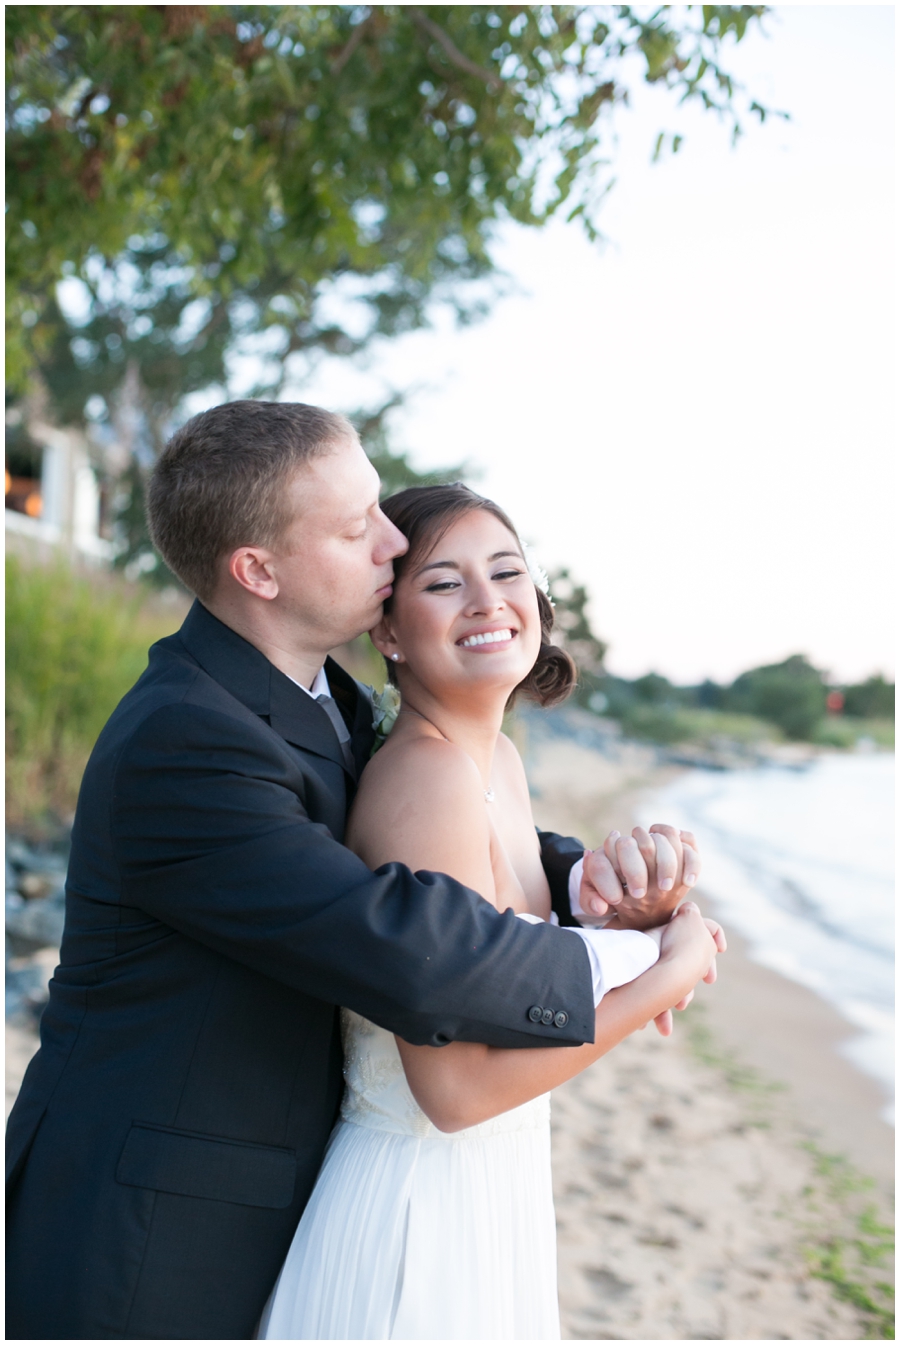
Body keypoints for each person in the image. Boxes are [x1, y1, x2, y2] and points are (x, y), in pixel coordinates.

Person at [6, 402, 704, 1340]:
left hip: (285, 1186)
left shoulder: (318, 695)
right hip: (147, 1224)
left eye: (379, 507)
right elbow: (402, 938)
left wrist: (593, 889)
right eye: (354, 527)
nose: (391, 543)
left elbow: (441, 851)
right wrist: (645, 963)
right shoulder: (187, 736)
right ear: (257, 570)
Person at [258, 483, 722, 1340]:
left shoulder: (496, 760)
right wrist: (665, 978)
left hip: (488, 1188)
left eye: (506, 570)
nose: (487, 600)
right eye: (443, 582)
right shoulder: (426, 779)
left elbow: (505, 971)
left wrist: (635, 919)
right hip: (419, 1207)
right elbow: (456, 1088)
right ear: (388, 628)